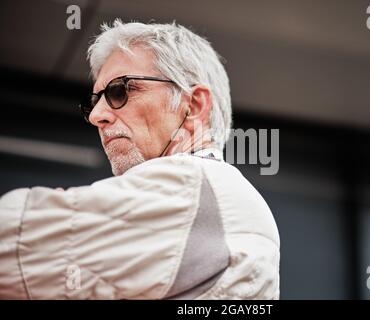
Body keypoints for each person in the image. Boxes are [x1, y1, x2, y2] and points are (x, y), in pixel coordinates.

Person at [0, 20, 280, 299]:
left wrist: (52, 213)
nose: (97, 116)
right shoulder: (220, 196)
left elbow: (12, 248)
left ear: (193, 106)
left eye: (119, 91)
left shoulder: (190, 183)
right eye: (93, 102)